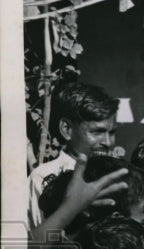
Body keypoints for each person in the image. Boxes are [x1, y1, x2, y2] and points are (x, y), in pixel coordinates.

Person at [28, 82, 118, 228]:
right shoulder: (44, 177)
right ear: (67, 129)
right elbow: (40, 240)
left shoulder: (115, 173)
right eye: (97, 132)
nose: (108, 142)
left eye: (112, 132)